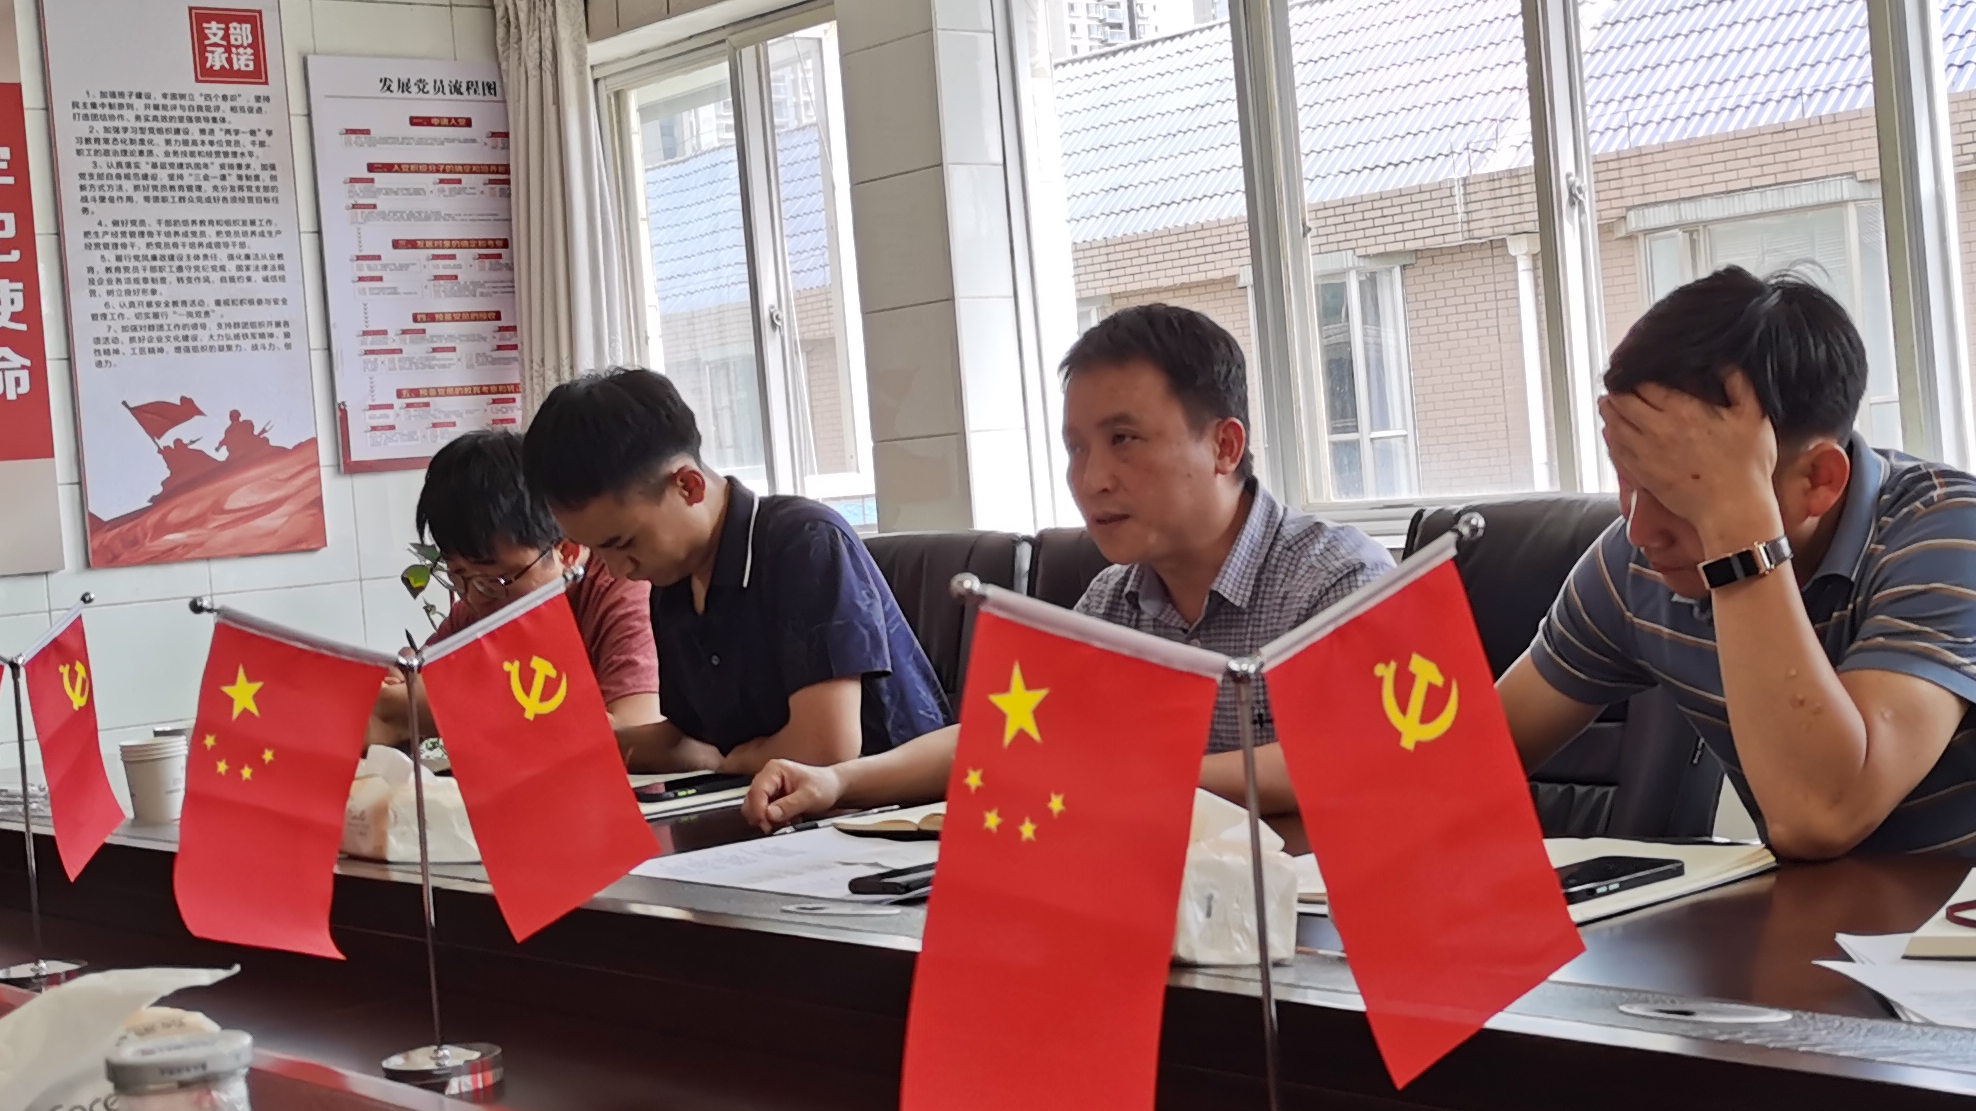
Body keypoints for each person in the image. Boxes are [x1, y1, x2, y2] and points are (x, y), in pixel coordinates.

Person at [1497, 267, 1976, 865]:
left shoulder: (1964, 539)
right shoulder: (1638, 563)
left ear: (1820, 480)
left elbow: (1819, 814)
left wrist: (1736, 530)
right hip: (1833, 931)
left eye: (1684, 488)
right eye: (1628, 477)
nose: (1639, 529)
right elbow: (1472, 764)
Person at [743, 303, 1391, 829]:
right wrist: (838, 780)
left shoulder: (1337, 579)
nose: (1090, 479)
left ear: (1224, 445)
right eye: (1076, 448)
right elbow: (1000, 738)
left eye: (1123, 440)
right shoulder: (1111, 600)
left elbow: (1355, 758)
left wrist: (1129, 780)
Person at [528, 366, 946, 778]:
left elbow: (826, 747)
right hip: (774, 801)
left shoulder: (804, 542)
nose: (617, 570)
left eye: (623, 544)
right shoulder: (671, 580)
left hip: (894, 805)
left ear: (688, 486)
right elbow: (690, 739)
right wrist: (579, 748)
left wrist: (734, 762)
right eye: (597, 551)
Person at [367, 427, 659, 751]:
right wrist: (398, 687)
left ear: (567, 551)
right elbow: (398, 703)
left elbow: (636, 733)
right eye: (458, 575)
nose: (475, 598)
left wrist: (445, 707)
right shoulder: (484, 601)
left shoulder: (622, 592)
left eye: (496, 579)